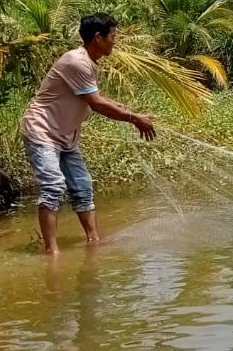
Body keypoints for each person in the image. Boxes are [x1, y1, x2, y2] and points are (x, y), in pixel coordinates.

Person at [20, 13, 156, 255]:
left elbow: (91, 97)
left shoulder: (89, 63)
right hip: (43, 132)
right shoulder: (76, 61)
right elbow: (95, 103)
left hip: (66, 135)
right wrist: (135, 119)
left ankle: (94, 241)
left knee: (82, 187)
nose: (115, 41)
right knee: (53, 187)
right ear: (98, 37)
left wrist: (126, 109)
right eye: (113, 36)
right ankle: (52, 252)